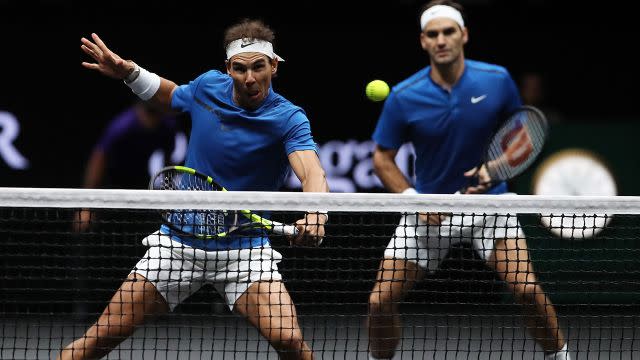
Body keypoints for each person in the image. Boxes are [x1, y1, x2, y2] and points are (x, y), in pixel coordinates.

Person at [60, 18, 329, 360]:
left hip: (245, 253)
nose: (249, 78)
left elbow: (312, 171)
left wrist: (316, 214)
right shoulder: (207, 88)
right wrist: (129, 72)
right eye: (240, 69)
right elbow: (172, 95)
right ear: (228, 69)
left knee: (290, 341)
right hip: (178, 245)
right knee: (99, 339)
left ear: (273, 66)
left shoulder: (289, 118)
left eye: (258, 67)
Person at [366, 2, 570, 360]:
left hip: (490, 206)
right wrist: (414, 199)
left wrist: (494, 169)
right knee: (380, 300)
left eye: (448, 32)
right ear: (423, 41)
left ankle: (562, 357)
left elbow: (524, 133)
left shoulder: (497, 80)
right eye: (433, 34)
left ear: (464, 35)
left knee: (526, 290)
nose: (441, 40)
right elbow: (382, 158)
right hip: (428, 210)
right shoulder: (403, 96)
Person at [73, 100, 180, 233]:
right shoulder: (123, 126)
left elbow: (168, 161)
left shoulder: (167, 125)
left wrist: (170, 196)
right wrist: (86, 207)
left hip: (142, 187)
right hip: (112, 188)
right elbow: (98, 160)